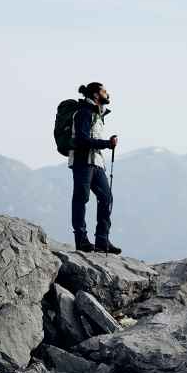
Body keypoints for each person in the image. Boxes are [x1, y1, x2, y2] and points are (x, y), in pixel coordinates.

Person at [69, 82, 121, 253]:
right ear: (96, 95)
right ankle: (82, 240)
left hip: (96, 163)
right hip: (83, 161)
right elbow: (82, 140)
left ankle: (102, 240)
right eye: (104, 91)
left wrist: (106, 144)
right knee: (81, 199)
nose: (108, 94)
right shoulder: (84, 113)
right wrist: (107, 144)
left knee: (106, 198)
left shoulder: (97, 114)